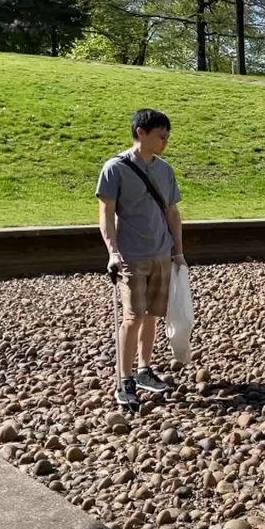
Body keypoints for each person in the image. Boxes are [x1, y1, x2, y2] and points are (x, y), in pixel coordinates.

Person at [96, 109, 186, 408]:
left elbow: (173, 212)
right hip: (131, 256)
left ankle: (145, 369)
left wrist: (179, 252)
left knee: (151, 315)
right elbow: (106, 215)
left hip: (161, 252)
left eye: (167, 137)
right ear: (141, 133)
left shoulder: (166, 170)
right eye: (161, 136)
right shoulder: (115, 168)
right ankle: (124, 379)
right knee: (133, 316)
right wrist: (112, 252)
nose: (165, 142)